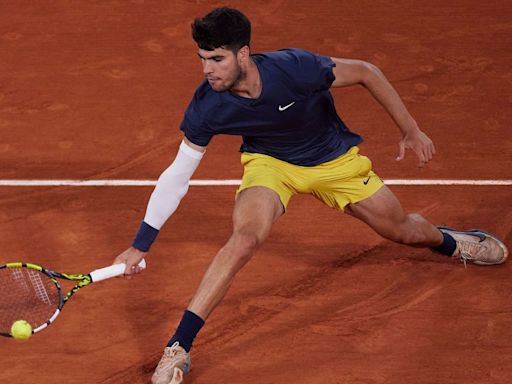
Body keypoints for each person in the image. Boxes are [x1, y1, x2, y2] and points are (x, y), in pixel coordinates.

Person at [112, 7, 509, 384]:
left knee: (404, 230)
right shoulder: (207, 106)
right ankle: (179, 345)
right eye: (202, 58)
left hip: (333, 159)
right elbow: (177, 175)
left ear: (243, 53)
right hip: (271, 163)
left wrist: (410, 129)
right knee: (245, 238)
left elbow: (368, 72)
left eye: (216, 59)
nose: (206, 70)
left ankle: (451, 242)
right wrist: (140, 245)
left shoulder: (295, 68)